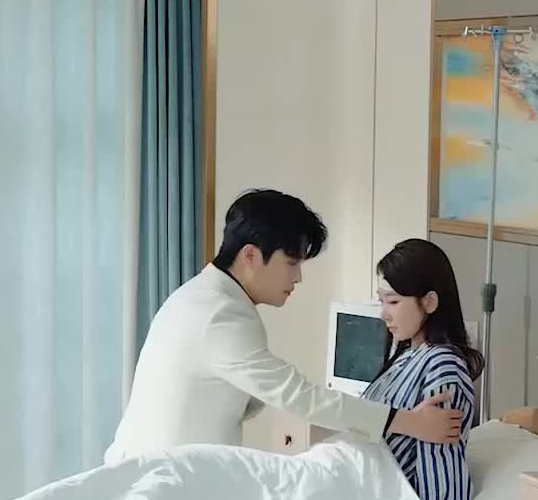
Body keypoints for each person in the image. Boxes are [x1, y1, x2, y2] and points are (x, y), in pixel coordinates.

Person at [107, 192, 462, 460]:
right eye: (291, 263)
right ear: (250, 256)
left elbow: (264, 393)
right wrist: (408, 422)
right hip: (164, 484)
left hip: (163, 475)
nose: (298, 278)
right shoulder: (218, 314)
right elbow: (297, 396)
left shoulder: (203, 298)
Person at [364, 238, 484, 500]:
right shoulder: (405, 357)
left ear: (429, 302)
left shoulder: (443, 368)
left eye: (393, 302)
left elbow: (440, 480)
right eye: (381, 301)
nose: (383, 314)